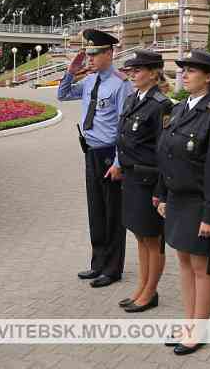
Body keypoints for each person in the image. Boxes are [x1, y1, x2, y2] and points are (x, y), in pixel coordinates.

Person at [156, 49, 210, 355]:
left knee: (202, 267)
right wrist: (161, 194)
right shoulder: (177, 110)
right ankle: (188, 323)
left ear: (209, 77)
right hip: (176, 200)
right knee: (184, 263)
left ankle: (198, 329)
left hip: (200, 203)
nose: (184, 75)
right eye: (182, 70)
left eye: (191, 70)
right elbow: (165, 156)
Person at [58, 29, 133, 288]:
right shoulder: (90, 81)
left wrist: (119, 162)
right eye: (88, 53)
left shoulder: (122, 84)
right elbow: (63, 95)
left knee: (113, 214)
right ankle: (98, 263)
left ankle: (112, 269)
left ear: (109, 53)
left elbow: (125, 126)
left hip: (109, 155)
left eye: (95, 53)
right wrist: (71, 70)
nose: (90, 58)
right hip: (90, 152)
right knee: (96, 212)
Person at [116, 49, 173, 312]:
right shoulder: (132, 99)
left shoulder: (161, 105)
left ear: (153, 73)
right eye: (131, 70)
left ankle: (150, 292)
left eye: (138, 70)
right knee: (139, 236)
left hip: (148, 181)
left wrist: (162, 191)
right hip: (131, 177)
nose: (133, 74)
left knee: (152, 238)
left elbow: (164, 152)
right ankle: (142, 286)